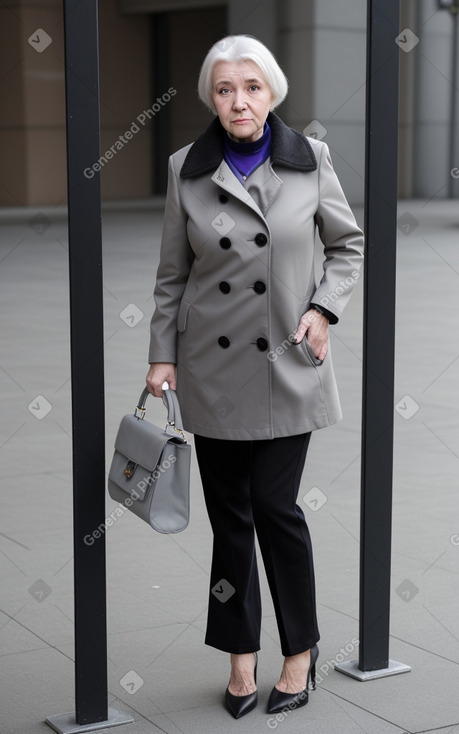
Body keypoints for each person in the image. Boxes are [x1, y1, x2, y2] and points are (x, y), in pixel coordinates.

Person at [146, 34, 364, 719]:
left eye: (251, 87)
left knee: (275, 508)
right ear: (212, 97)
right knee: (229, 519)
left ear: (271, 92)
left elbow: (347, 245)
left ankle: (298, 653)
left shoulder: (310, 160)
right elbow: (171, 277)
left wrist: (325, 310)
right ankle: (241, 658)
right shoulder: (187, 168)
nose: (238, 101)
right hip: (211, 372)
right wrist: (160, 355)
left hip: (289, 367)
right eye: (223, 89)